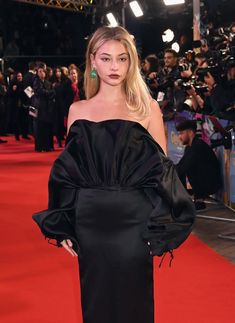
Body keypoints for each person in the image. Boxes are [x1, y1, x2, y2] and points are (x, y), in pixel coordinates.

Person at [32, 26, 195, 323]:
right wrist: (65, 220)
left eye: (122, 59)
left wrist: (160, 226)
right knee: (97, 304)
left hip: (134, 221)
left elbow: (162, 173)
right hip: (90, 222)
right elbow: (71, 173)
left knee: (135, 304)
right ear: (92, 61)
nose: (114, 67)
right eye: (106, 59)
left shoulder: (147, 109)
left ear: (131, 62)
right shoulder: (78, 110)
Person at [176, 120, 222, 210]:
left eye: (181, 133)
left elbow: (184, 168)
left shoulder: (198, 146)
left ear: (190, 133)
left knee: (184, 169)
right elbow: (180, 166)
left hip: (211, 184)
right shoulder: (190, 147)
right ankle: (192, 199)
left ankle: (191, 200)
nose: (179, 137)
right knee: (180, 170)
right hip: (203, 183)